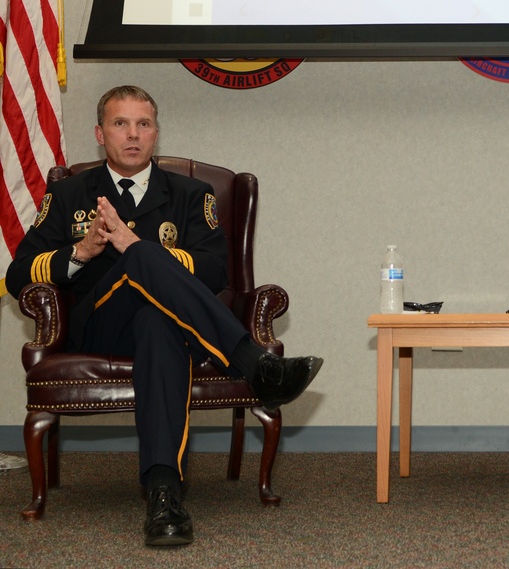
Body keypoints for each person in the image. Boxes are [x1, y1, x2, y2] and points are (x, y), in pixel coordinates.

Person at [5, 85, 324, 548]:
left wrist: (141, 251)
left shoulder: (191, 194)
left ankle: (164, 496)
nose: (133, 134)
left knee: (158, 321)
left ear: (156, 133)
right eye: (120, 124)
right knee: (141, 256)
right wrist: (82, 251)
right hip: (101, 326)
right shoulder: (69, 193)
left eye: (144, 124)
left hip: (174, 327)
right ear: (100, 133)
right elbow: (18, 275)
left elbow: (216, 270)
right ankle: (253, 363)